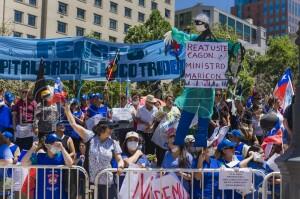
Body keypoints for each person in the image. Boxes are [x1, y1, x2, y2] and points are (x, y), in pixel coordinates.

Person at [64, 103, 124, 199]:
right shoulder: (90, 136)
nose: (112, 130)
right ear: (102, 128)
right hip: (90, 182)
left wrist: (121, 166)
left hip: (107, 183)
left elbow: (119, 159)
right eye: (110, 128)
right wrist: (67, 110)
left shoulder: (113, 142)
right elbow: (73, 125)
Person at [21, 133, 73, 199]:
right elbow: (24, 163)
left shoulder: (61, 156)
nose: (57, 146)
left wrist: (62, 148)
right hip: (41, 195)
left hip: (58, 195)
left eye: (58, 144)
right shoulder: (40, 156)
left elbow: (70, 163)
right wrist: (32, 149)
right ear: (47, 145)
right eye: (55, 144)